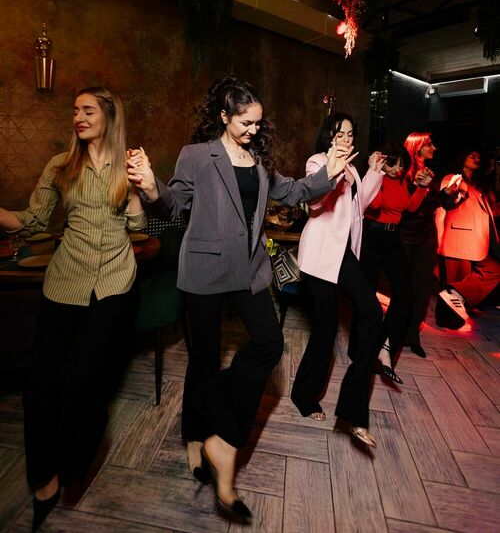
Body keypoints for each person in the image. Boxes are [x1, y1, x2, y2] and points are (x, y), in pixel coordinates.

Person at [126, 76, 355, 522]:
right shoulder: (197, 155)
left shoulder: (259, 160)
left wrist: (328, 172)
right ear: (224, 117)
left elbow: (293, 192)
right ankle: (196, 436)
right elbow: (175, 207)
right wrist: (151, 188)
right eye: (246, 122)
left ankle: (218, 426)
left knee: (269, 343)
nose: (254, 129)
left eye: (258, 123)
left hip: (248, 270)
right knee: (204, 359)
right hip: (205, 270)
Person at [0, 87, 146, 531]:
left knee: (88, 383)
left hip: (114, 284)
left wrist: (137, 188)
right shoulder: (60, 166)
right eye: (75, 111)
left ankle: (74, 463)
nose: (78, 117)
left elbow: (138, 225)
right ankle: (42, 478)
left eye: (87, 110)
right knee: (41, 387)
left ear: (109, 116)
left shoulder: (128, 165)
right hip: (65, 283)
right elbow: (33, 221)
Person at [291, 112, 385, 448]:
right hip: (319, 257)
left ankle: (352, 408)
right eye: (338, 134)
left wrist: (373, 171)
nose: (345, 139)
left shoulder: (354, 168)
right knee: (326, 328)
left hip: (343, 255)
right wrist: (333, 172)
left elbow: (360, 207)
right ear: (328, 137)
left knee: (372, 313)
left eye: (349, 134)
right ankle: (304, 395)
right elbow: (315, 205)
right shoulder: (317, 162)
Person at [359, 140, 432, 383]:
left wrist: (420, 187)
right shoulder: (375, 178)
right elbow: (375, 204)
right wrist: (376, 173)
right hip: (371, 236)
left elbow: (408, 207)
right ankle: (362, 351)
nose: (398, 169)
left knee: (404, 294)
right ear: (384, 161)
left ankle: (385, 345)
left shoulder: (401, 180)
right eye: (394, 164)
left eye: (402, 165)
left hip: (392, 238)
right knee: (367, 296)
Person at [436, 149, 500, 327]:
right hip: (458, 239)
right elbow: (446, 201)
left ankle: (452, 312)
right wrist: (452, 193)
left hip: (479, 242)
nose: (476, 158)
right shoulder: (453, 178)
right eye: (472, 155)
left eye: (479, 156)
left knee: (490, 273)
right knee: (453, 285)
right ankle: (447, 322)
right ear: (462, 158)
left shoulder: (481, 185)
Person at [399, 132, 440, 358]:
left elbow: (433, 203)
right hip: (405, 235)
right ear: (417, 147)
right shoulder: (402, 171)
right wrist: (417, 186)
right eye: (429, 144)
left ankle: (413, 334)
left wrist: (446, 194)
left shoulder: (430, 172)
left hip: (426, 236)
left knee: (422, 287)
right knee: (403, 285)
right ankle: (397, 331)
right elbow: (405, 207)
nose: (434, 148)